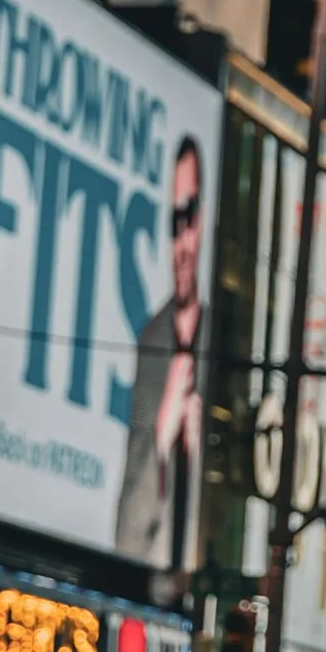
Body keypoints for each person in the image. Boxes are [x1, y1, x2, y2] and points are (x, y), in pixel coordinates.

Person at [113, 132, 205, 572]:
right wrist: (163, 432)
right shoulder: (155, 341)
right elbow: (127, 535)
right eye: (174, 221)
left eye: (190, 216)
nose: (182, 239)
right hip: (159, 581)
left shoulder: (225, 339)